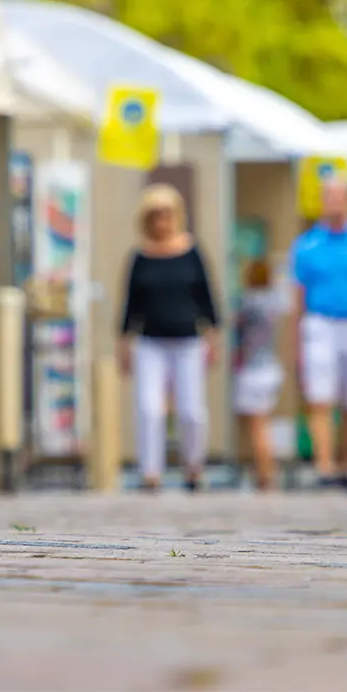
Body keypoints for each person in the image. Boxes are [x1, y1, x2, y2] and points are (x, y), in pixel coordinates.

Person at [117, 183, 221, 493]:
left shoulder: (191, 251)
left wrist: (213, 334)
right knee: (149, 409)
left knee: (191, 411)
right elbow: (130, 303)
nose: (161, 221)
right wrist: (123, 342)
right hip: (150, 342)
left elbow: (206, 295)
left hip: (188, 340)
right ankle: (150, 472)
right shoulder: (140, 256)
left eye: (166, 213)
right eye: (155, 215)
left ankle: (193, 467)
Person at [291, 178, 347, 491]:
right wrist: (296, 345)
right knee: (320, 397)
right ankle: (325, 466)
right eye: (328, 196)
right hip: (320, 323)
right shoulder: (306, 246)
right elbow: (297, 298)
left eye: (339, 196)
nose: (334, 202)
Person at [233, 259, 288, 491]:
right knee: (264, 423)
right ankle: (264, 471)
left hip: (253, 368)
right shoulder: (275, 302)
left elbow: (237, 330)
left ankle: (266, 474)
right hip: (271, 366)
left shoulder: (248, 302)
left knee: (257, 427)